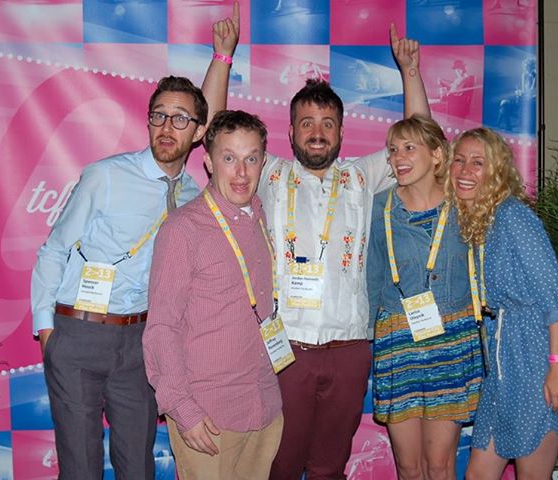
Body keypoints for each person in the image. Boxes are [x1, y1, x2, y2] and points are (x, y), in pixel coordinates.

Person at [202, 12, 431, 476]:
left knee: (329, 466)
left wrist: (410, 71)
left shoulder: (362, 177)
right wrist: (222, 57)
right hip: (285, 350)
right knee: (281, 465)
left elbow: (422, 141)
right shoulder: (269, 174)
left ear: (342, 133)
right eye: (307, 122)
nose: (318, 131)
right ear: (290, 132)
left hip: (350, 350)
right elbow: (214, 130)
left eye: (328, 123)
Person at [30, 8, 239, 476]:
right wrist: (47, 332)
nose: (167, 127)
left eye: (181, 119)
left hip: (143, 343)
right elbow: (54, 248)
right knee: (81, 469)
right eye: (158, 115)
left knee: (137, 467)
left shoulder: (194, 195)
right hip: (79, 334)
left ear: (199, 132)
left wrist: (221, 58)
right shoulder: (105, 176)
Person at [143, 110, 283, 480]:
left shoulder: (258, 217)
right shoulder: (183, 230)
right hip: (209, 417)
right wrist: (182, 410)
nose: (241, 172)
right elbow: (161, 329)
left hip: (264, 406)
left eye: (251, 158)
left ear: (263, 162)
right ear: (207, 161)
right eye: (229, 158)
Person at [446, 128, 558, 479]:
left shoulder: (513, 218)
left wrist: (557, 367)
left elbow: (557, 300)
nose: (465, 171)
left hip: (535, 360)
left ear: (496, 170)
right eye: (459, 161)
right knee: (478, 474)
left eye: (478, 163)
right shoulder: (479, 221)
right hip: (502, 367)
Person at [366, 114, 483, 480]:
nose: (397, 157)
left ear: (436, 155)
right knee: (410, 467)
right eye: (393, 150)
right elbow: (372, 277)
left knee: (440, 465)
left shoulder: (465, 205)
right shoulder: (379, 206)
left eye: (409, 148)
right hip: (398, 343)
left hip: (452, 341)